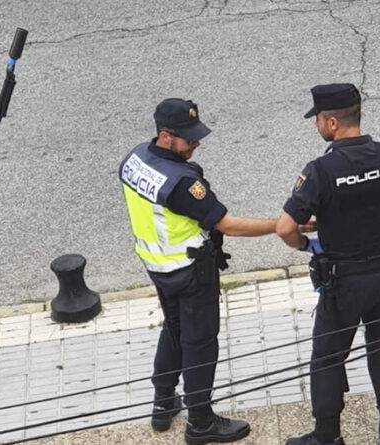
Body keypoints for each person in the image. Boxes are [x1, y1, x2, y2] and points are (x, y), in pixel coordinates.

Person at [119, 98, 313, 444]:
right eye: (189, 139)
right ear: (165, 136)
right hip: (191, 270)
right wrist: (281, 224)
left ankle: (163, 403)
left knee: (174, 331)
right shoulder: (181, 182)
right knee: (200, 345)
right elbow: (229, 225)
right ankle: (201, 423)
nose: (196, 144)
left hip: (157, 265)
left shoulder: (135, 159)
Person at [275, 83, 380, 445]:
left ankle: (328, 436)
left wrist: (307, 245)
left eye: (317, 119)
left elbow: (284, 228)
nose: (317, 125)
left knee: (328, 358)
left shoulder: (321, 170)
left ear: (331, 122)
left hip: (342, 284)